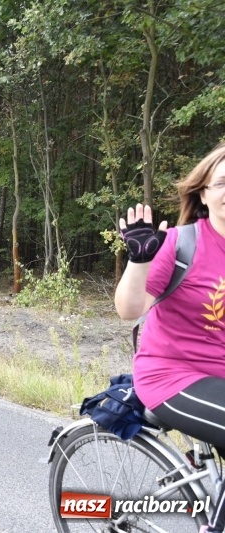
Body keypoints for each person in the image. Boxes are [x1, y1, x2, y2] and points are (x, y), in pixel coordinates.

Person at [114, 143, 225, 533]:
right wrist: (139, 261)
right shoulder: (182, 244)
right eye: (223, 183)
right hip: (172, 376)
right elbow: (129, 309)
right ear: (203, 194)